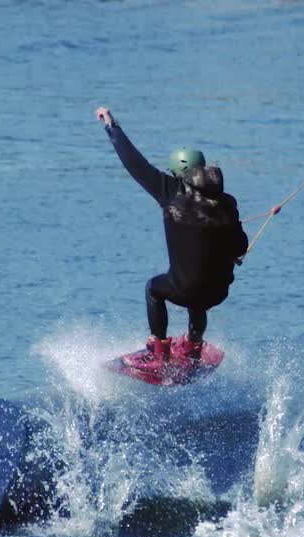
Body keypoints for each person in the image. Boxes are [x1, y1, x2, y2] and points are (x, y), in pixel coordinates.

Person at [95, 106, 253, 370]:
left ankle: (159, 351)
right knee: (198, 299)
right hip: (218, 292)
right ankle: (193, 346)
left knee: (154, 289)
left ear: (176, 172)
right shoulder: (227, 202)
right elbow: (240, 247)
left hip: (184, 288)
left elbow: (134, 162)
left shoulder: (171, 191)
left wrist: (111, 125)